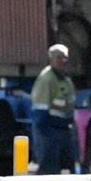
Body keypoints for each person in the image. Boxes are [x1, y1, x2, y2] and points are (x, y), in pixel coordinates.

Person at [28, 44, 79, 173]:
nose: (63, 60)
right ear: (50, 59)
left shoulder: (66, 80)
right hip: (49, 131)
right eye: (59, 57)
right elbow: (40, 113)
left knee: (67, 169)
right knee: (49, 170)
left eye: (65, 57)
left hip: (63, 131)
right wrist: (47, 137)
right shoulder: (46, 79)